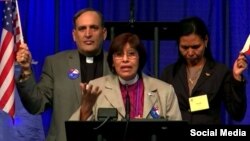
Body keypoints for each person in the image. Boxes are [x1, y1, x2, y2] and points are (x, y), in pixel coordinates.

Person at [15, 8, 110, 141]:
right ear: (74, 35)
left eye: (93, 28)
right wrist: (26, 71)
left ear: (104, 33)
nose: (88, 34)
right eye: (82, 29)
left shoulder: (117, 65)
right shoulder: (55, 63)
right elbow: (36, 105)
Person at [70, 32, 182, 121]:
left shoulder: (165, 91)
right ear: (112, 61)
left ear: (140, 58)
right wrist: (86, 109)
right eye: (119, 55)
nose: (125, 60)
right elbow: (75, 133)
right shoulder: (95, 87)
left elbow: (177, 133)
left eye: (131, 54)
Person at [160, 17, 248, 124]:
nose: (190, 52)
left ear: (205, 40)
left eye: (195, 47)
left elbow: (237, 114)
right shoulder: (169, 73)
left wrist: (236, 78)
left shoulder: (219, 72)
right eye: (185, 47)